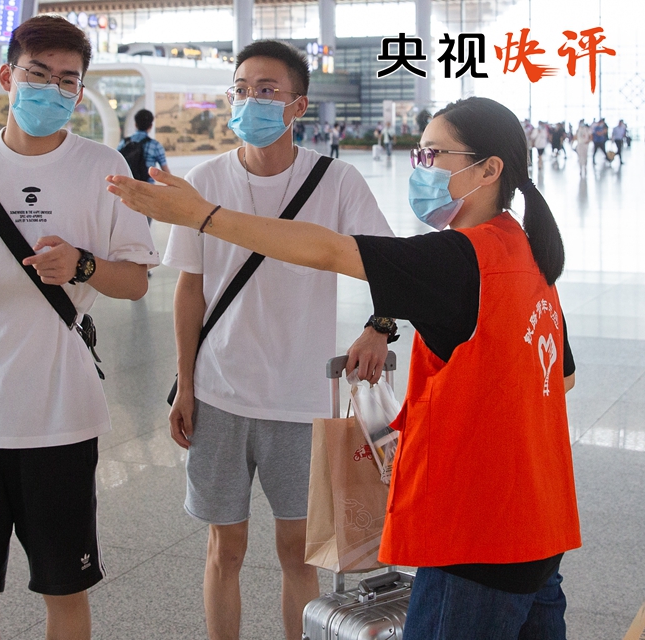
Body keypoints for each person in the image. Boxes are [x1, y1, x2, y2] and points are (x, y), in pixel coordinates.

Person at [108, 95, 582, 640]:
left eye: (433, 155)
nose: (421, 167)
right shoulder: (525, 250)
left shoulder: (459, 258)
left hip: (476, 539)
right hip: (540, 527)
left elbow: (331, 251)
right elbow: (561, 377)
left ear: (489, 169)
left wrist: (203, 217)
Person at [0, 15, 158, 640]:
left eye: (67, 80)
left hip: (59, 416)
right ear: (6, 77)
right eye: (37, 74)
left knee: (65, 590)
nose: (52, 89)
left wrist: (82, 265)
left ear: (81, 91)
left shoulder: (103, 168)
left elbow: (136, 280)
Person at [160, 39, 394, 640]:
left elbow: (391, 265)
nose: (250, 101)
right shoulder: (204, 179)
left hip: (299, 401)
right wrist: (185, 385)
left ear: (298, 105)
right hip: (219, 394)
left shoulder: (335, 182)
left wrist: (379, 326)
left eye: (266, 90)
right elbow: (191, 290)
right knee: (225, 548)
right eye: (240, 90)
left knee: (298, 550)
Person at [117, 108, 170, 182]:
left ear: (135, 124)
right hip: (147, 186)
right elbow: (166, 172)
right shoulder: (155, 145)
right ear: (151, 125)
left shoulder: (124, 143)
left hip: (128, 184)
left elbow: (116, 161)